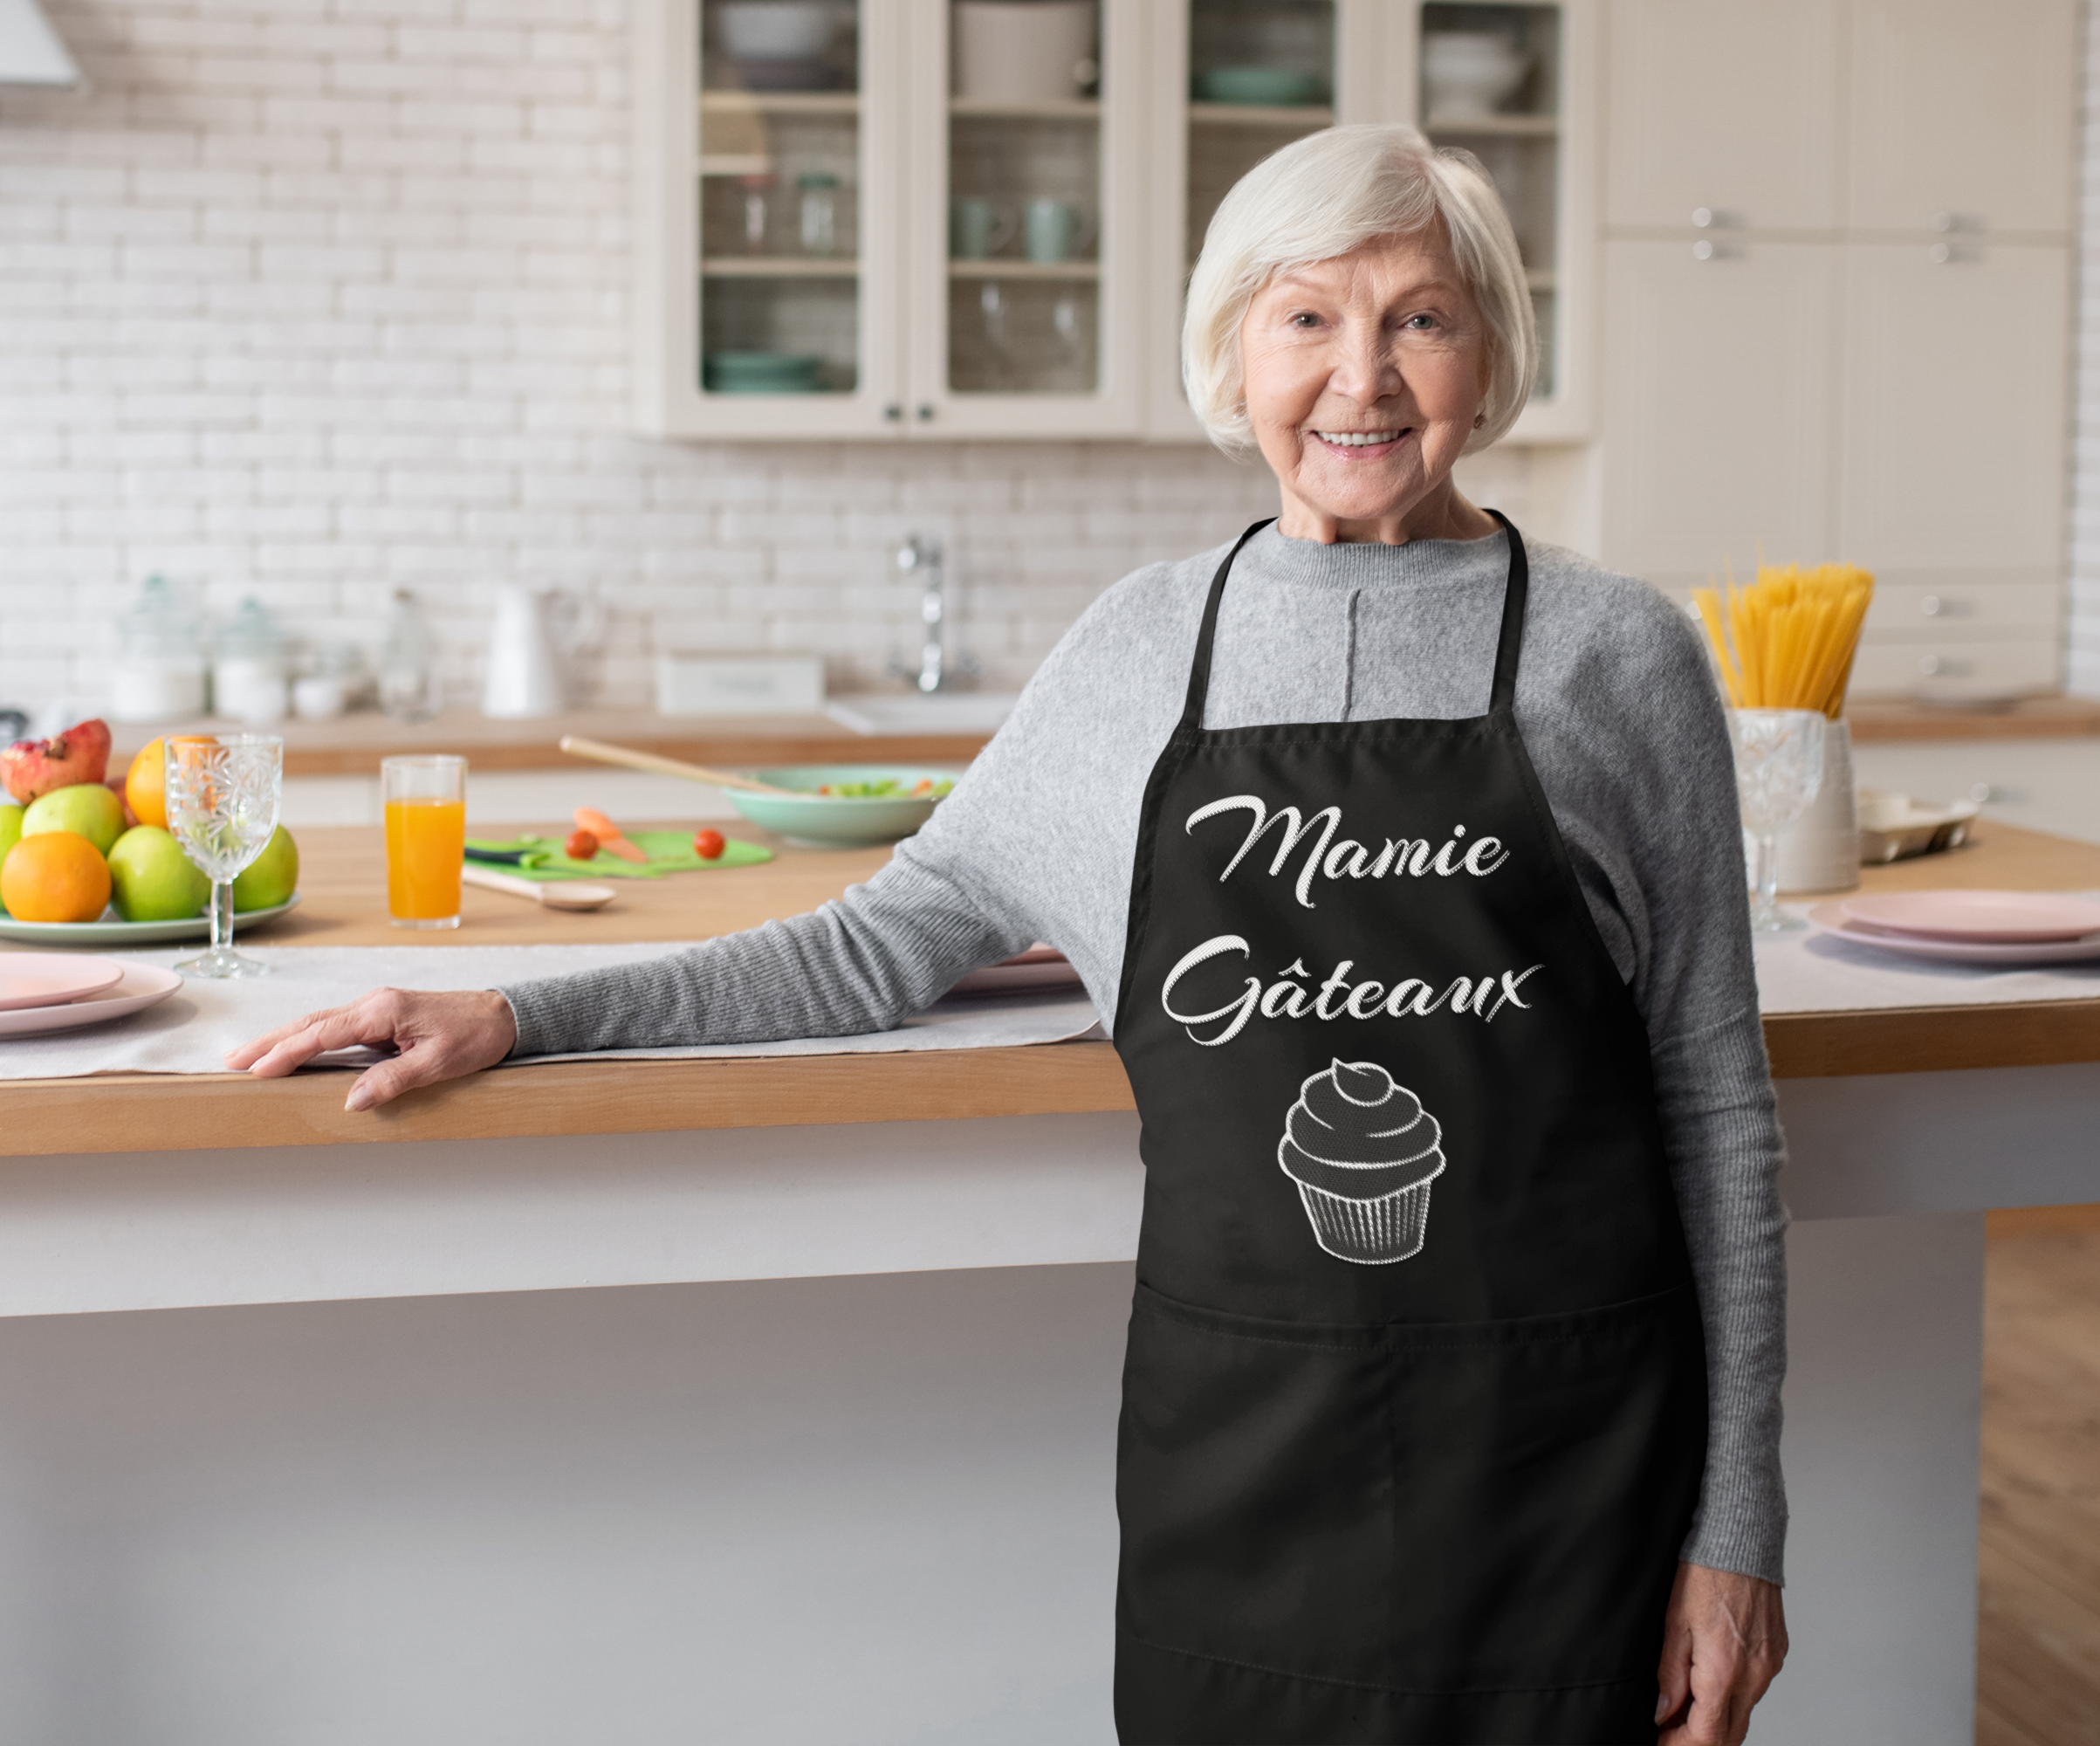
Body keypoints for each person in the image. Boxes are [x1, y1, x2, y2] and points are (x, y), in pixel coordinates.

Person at [232, 125, 1788, 1745]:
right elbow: (879, 939)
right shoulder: (1136, 652)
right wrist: (519, 1014)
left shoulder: (1620, 661)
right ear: (1231, 352)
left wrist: (1735, 1529)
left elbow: (1715, 1098)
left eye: (1420, 317)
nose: (1362, 378)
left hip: (1568, 1454)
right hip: (1242, 1449)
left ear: (1489, 352)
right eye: (1304, 317)